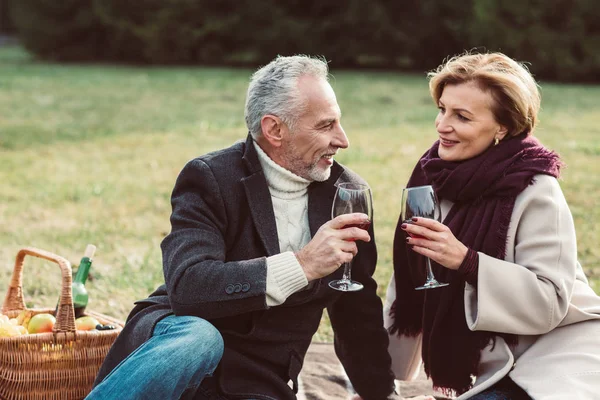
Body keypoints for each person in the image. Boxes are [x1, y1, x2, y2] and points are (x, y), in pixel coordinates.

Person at [87, 55, 398, 400]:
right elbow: (188, 288)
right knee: (201, 337)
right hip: (179, 349)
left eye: (338, 123)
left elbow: (357, 315)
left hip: (258, 381)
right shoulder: (211, 177)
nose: (343, 139)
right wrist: (303, 264)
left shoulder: (347, 195)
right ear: (275, 129)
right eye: (325, 126)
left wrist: (383, 396)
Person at [384, 52, 600, 399]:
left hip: (556, 355)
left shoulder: (536, 189)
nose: (442, 125)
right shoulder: (432, 175)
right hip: (492, 366)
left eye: (462, 116)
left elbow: (549, 301)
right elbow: (411, 277)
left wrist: (467, 261)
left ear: (503, 127)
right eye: (442, 109)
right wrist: (379, 384)